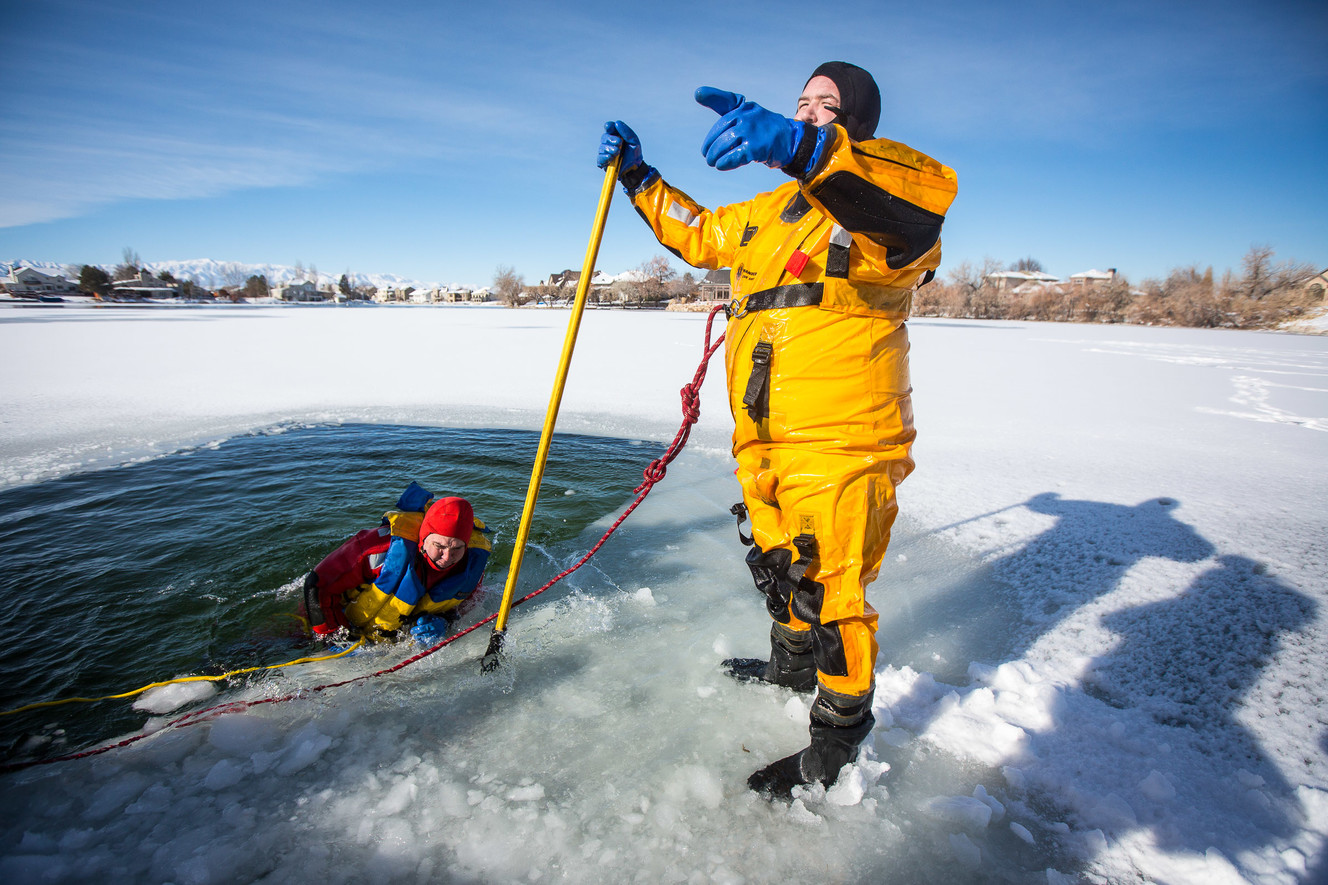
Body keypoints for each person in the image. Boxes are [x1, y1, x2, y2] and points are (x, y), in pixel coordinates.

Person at [597, 62, 957, 798]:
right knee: (777, 563)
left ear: (856, 125)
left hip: (842, 440)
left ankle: (837, 741)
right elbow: (698, 234)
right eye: (801, 104)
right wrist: (640, 177)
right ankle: (789, 666)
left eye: (827, 106)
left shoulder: (885, 202)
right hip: (763, 438)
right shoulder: (764, 214)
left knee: (833, 592)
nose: (810, 112)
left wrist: (805, 147)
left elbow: (914, 214)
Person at [303, 482, 491, 645]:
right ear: (423, 538)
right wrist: (334, 639)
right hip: (336, 622)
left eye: (457, 548)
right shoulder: (377, 548)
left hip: (392, 639)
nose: (447, 556)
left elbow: (467, 605)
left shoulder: (470, 564)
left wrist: (446, 621)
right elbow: (316, 585)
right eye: (439, 546)